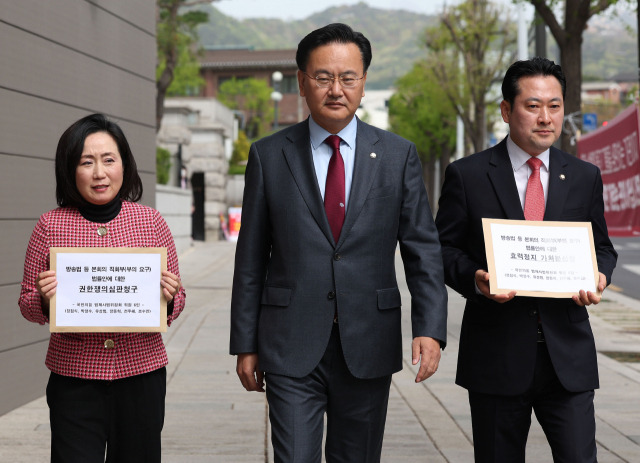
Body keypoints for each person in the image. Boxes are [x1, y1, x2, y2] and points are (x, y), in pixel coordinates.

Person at [230, 23, 447, 462]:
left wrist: (430, 327)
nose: (336, 89)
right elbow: (251, 257)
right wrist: (245, 343)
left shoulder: (396, 155)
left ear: (363, 83)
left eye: (348, 77)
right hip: (289, 342)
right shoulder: (269, 155)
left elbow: (422, 249)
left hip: (369, 337)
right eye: (323, 77)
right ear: (301, 82)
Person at [435, 57, 618, 463]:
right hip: (497, 355)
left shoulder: (585, 176)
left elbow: (602, 246)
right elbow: (443, 250)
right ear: (506, 110)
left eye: (554, 106)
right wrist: (476, 280)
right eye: (533, 106)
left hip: (567, 356)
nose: (545, 118)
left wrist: (600, 275)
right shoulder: (468, 175)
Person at [18, 113, 185, 462]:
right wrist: (45, 299)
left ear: (124, 164)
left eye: (109, 160)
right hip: (74, 378)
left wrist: (169, 297)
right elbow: (27, 304)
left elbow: (178, 299)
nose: (99, 173)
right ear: (70, 169)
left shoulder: (151, 222)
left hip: (141, 374)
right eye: (86, 162)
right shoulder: (50, 226)